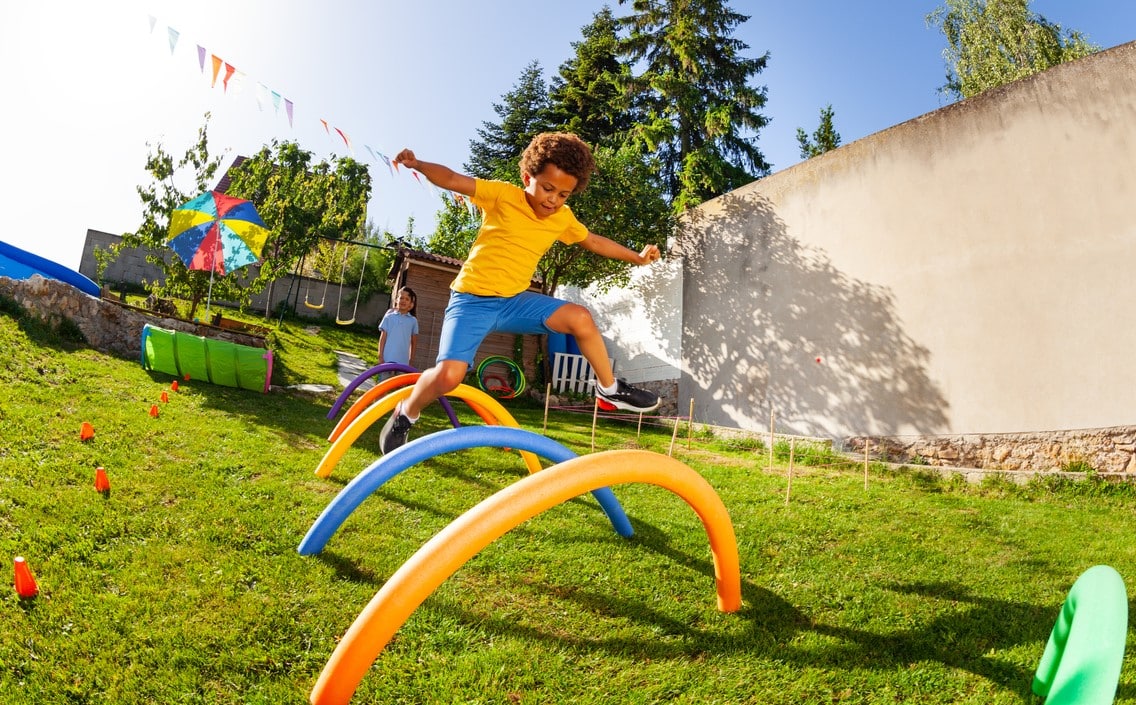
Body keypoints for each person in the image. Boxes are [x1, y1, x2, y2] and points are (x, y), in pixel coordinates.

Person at [380, 132, 661, 454]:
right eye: (547, 188)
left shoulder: (562, 218)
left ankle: (609, 389)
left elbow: (594, 241)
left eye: (563, 195)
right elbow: (454, 179)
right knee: (449, 375)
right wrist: (418, 164)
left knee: (580, 317)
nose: (553, 200)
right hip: (471, 301)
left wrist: (637, 257)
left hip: (514, 302)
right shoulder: (502, 195)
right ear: (528, 177)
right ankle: (407, 412)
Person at [377, 286, 418, 372]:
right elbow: (382, 338)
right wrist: (380, 356)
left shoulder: (413, 321)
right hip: (386, 360)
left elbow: (414, 343)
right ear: (396, 300)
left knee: (400, 385)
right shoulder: (389, 317)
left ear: (411, 304)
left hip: (403, 363)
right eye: (401, 298)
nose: (403, 301)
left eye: (407, 299)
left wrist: (411, 360)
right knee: (385, 384)